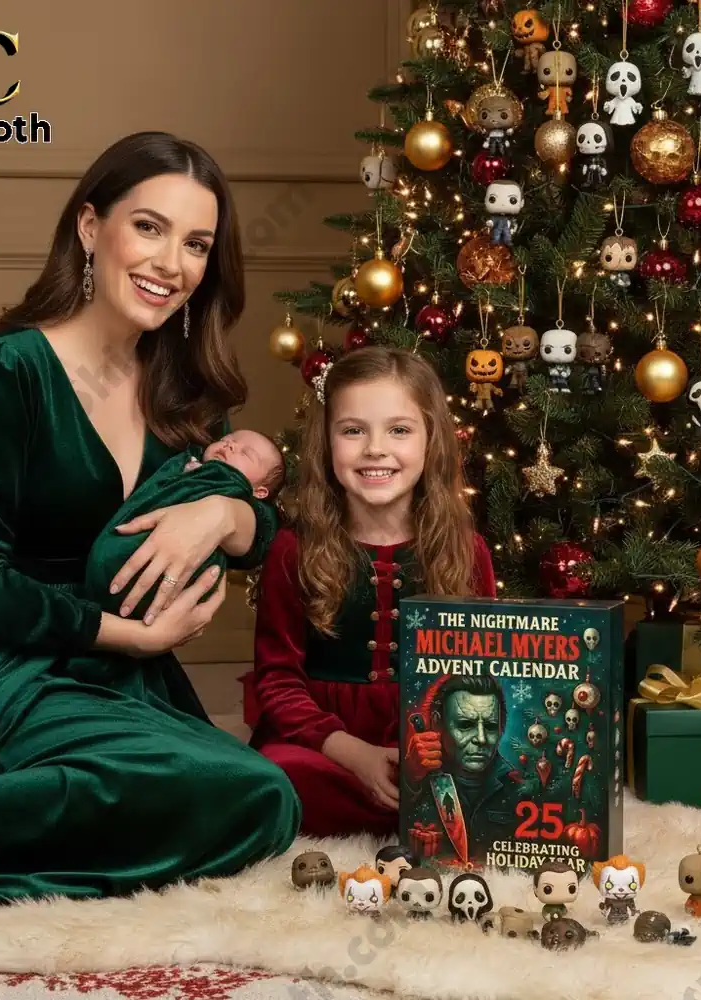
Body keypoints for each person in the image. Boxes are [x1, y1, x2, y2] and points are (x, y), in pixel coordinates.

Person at [0, 131, 301, 927]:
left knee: (263, 803)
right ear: (88, 228)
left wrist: (229, 511)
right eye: (149, 227)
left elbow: (264, 529)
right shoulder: (1, 370)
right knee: (223, 790)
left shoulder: (189, 391)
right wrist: (126, 635)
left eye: (197, 244)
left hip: (126, 682)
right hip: (3, 664)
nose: (172, 263)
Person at [249, 346, 496, 837]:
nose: (375, 449)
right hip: (319, 742)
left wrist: (429, 753)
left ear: (432, 442)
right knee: (273, 779)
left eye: (399, 430)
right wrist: (353, 753)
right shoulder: (291, 549)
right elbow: (276, 681)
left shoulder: (466, 550)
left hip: (426, 743)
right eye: (353, 430)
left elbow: (479, 678)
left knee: (486, 782)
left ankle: (418, 805)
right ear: (326, 443)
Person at [86, 429, 286, 620]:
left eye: (246, 453)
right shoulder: (187, 461)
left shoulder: (227, 485)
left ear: (259, 492)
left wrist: (225, 513)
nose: (230, 445)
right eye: (227, 439)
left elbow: (267, 528)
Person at [402, 673, 523, 862]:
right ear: (437, 722)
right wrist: (410, 776)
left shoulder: (517, 787)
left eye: (490, 727)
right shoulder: (417, 779)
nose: (481, 739)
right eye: (465, 725)